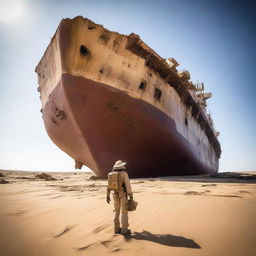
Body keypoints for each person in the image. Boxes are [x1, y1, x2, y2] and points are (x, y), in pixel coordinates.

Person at [106, 160, 133, 234]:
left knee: (116, 211)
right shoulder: (124, 174)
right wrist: (131, 196)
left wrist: (107, 195)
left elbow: (108, 186)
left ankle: (116, 229)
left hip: (114, 194)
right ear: (122, 166)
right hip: (123, 194)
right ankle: (124, 230)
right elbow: (128, 186)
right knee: (124, 212)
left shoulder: (110, 174)